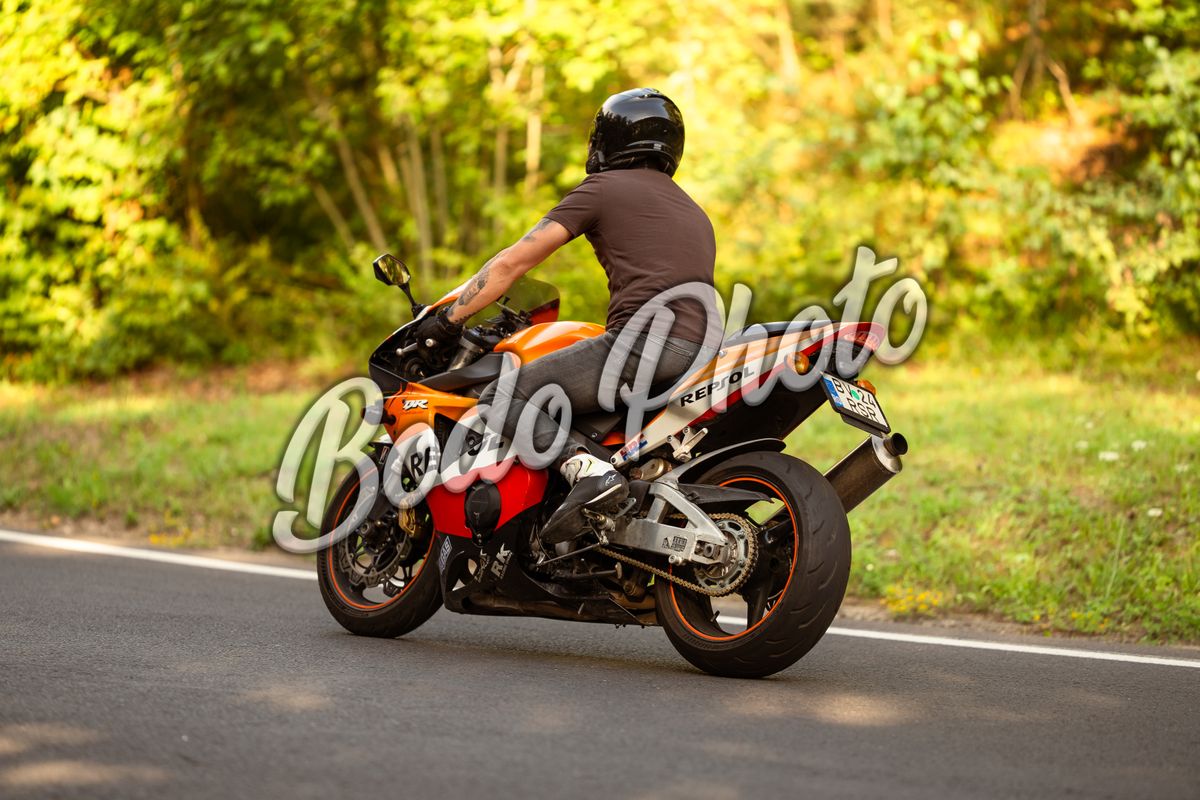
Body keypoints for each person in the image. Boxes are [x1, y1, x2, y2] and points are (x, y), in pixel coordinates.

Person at [416, 87, 719, 545]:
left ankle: (588, 472)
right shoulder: (693, 210)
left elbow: (512, 263)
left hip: (644, 344)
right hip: (701, 352)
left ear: (609, 140)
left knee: (503, 395)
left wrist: (447, 320)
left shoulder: (603, 189)